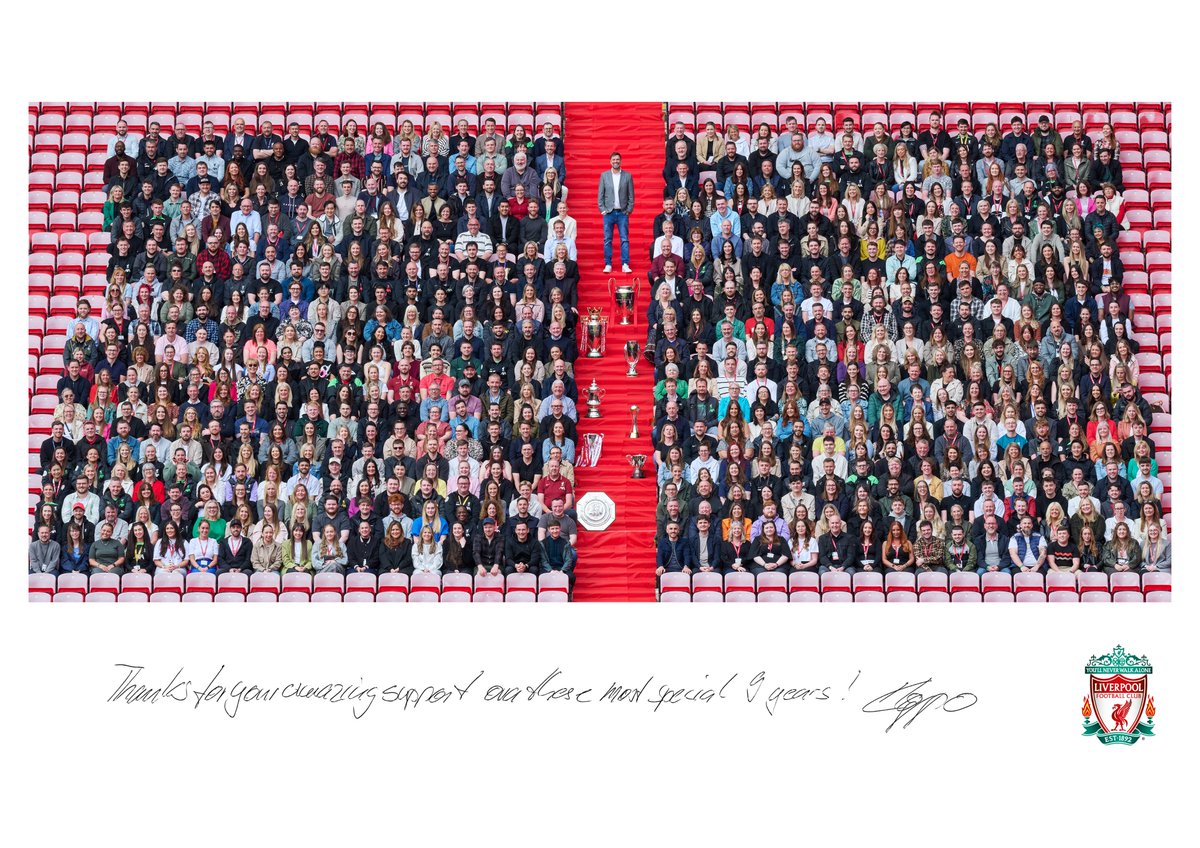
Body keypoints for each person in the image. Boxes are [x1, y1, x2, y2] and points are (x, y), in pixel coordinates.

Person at [597, 152, 634, 273]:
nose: (616, 161)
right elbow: (600, 195)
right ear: (610, 161)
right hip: (608, 212)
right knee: (607, 239)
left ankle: (625, 263)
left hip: (623, 212)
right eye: (613, 159)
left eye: (617, 159)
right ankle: (608, 264)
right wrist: (602, 209)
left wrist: (629, 210)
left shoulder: (627, 176)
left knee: (624, 239)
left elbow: (631, 196)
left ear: (621, 161)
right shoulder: (604, 175)